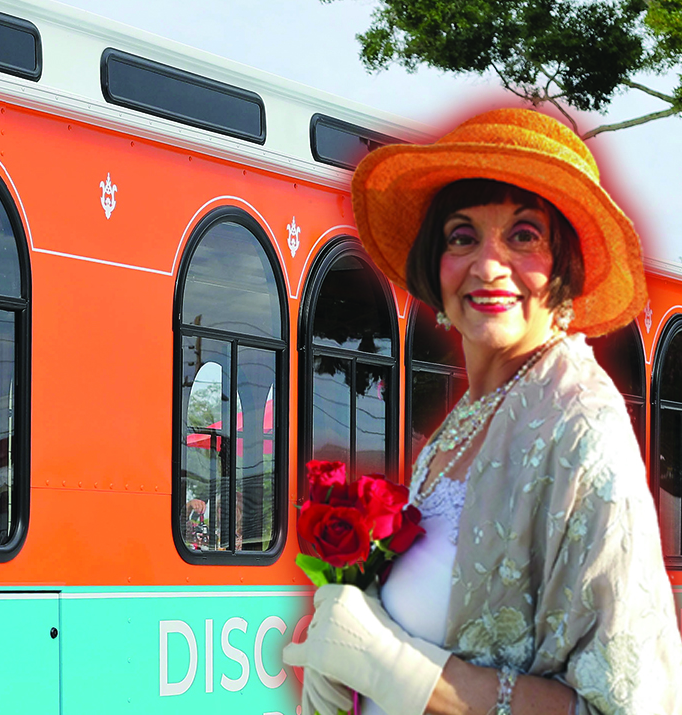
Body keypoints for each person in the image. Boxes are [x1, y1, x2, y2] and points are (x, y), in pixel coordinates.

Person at [282, 108, 682, 715]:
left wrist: (397, 672)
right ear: (435, 268)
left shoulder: (581, 427)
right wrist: (344, 660)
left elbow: (628, 707)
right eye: (462, 236)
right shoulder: (461, 426)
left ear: (564, 267)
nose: (488, 265)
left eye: (524, 235)